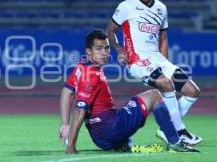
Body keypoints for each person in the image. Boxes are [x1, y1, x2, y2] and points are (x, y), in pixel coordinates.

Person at [58, 29, 199, 154]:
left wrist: (65, 124)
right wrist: (71, 145)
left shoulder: (81, 66)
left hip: (100, 138)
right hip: (112, 129)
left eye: (107, 48)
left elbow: (66, 92)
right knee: (155, 95)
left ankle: (121, 143)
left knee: (126, 108)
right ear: (88, 51)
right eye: (99, 49)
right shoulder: (91, 76)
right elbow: (79, 109)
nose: (104, 53)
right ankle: (175, 142)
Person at [106, 0, 201, 145]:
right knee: (166, 84)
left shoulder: (161, 8)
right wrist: (119, 50)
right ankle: (178, 131)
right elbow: (110, 30)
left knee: (193, 91)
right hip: (137, 61)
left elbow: (163, 38)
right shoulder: (126, 6)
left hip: (158, 59)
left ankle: (167, 126)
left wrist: (165, 63)